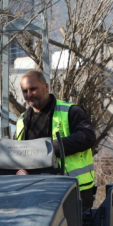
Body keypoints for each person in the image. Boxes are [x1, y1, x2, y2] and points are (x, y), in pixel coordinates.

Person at [15, 70, 97, 208]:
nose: (29, 94)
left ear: (46, 87)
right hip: (35, 190)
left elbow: (88, 136)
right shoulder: (22, 120)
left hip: (72, 189)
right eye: (24, 91)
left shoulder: (70, 111)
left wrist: (51, 148)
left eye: (33, 89)